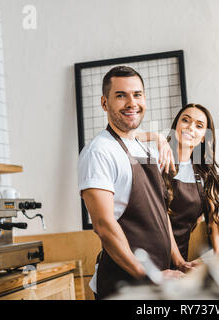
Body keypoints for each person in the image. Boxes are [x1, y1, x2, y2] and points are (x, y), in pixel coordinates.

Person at [78, 66, 184, 299]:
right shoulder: (98, 152)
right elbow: (103, 225)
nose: (131, 102)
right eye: (121, 95)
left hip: (157, 282)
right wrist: (147, 273)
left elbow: (159, 211)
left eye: (137, 94)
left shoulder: (143, 148)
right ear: (105, 103)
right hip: (123, 287)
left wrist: (179, 261)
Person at [137, 104, 219, 268]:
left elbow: (213, 221)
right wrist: (158, 137)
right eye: (185, 120)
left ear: (203, 137)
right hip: (145, 259)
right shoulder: (155, 159)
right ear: (176, 126)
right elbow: (127, 136)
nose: (190, 127)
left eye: (199, 125)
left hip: (180, 261)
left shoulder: (204, 174)